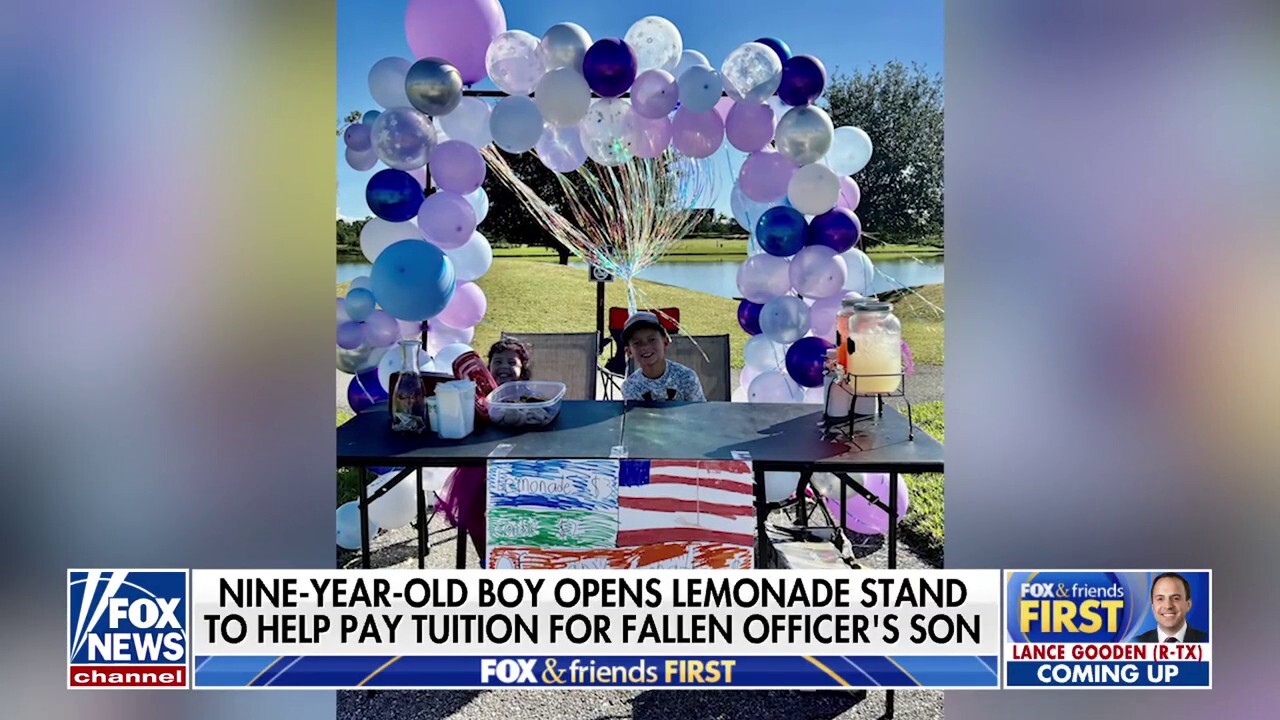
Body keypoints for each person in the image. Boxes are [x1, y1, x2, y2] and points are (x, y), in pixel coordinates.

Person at [435, 339, 532, 564]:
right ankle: (486, 560)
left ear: (523, 369)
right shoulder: (474, 394)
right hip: (479, 466)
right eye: (497, 361)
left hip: (518, 468)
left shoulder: (527, 395)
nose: (504, 367)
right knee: (475, 507)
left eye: (512, 362)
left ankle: (523, 558)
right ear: (487, 367)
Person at [620, 311, 706, 402]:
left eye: (652, 340)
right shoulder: (630, 386)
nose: (645, 346)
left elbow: (700, 413)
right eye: (637, 343)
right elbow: (636, 416)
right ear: (629, 352)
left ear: (665, 342)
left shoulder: (686, 377)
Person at [1131, 572, 1207, 642]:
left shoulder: (1208, 640)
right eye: (1160, 599)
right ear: (1153, 606)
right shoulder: (1135, 643)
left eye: (1176, 598)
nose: (1168, 606)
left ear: (1188, 604)